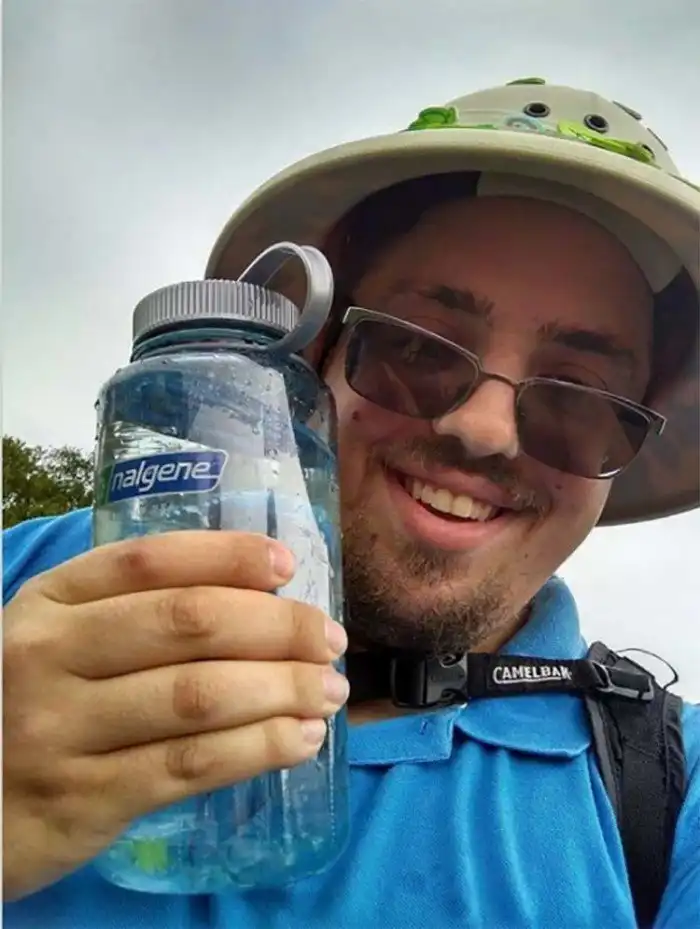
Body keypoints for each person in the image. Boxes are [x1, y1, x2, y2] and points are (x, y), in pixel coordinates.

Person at [3, 78, 699, 928]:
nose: (482, 430)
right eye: (415, 348)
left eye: (578, 400)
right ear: (314, 361)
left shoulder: (671, 793)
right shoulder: (27, 586)